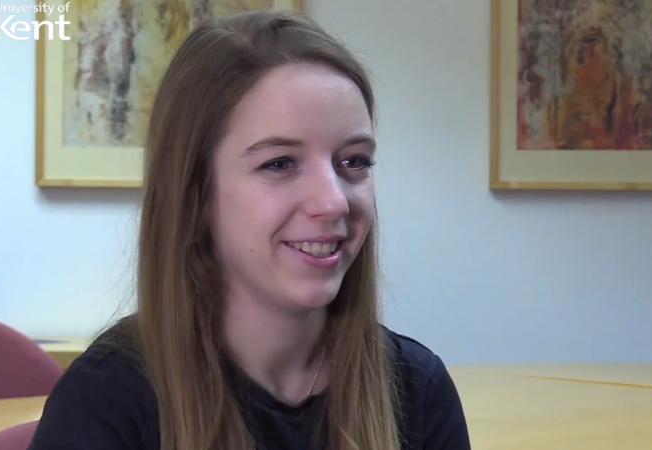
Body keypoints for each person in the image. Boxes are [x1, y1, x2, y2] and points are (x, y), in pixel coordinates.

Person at [26, 8, 471, 450]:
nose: (334, 201)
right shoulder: (107, 400)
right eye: (279, 163)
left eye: (354, 161)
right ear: (196, 194)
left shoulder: (417, 390)